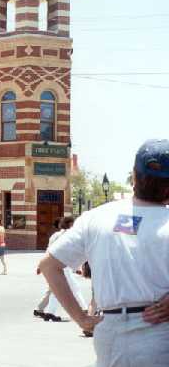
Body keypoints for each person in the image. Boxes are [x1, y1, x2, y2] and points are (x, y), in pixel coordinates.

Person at [39, 139, 169, 367]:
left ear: (134, 176)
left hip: (109, 333)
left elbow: (49, 266)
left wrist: (80, 317)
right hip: (159, 333)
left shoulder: (96, 218)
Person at [41, 217, 87, 322]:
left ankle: (50, 312)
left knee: (64, 288)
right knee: (72, 287)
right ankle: (84, 309)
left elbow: (49, 250)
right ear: (70, 224)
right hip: (64, 264)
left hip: (56, 263)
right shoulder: (68, 235)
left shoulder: (55, 235)